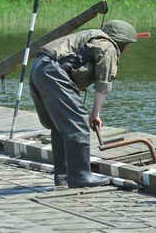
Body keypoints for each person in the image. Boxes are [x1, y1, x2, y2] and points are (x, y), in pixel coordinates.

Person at [29, 20, 137, 188]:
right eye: (128, 44)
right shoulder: (108, 46)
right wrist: (95, 114)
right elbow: (103, 84)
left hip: (38, 67)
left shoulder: (92, 37)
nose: (127, 49)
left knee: (60, 126)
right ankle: (80, 176)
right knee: (78, 122)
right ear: (121, 41)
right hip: (52, 72)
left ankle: (63, 175)